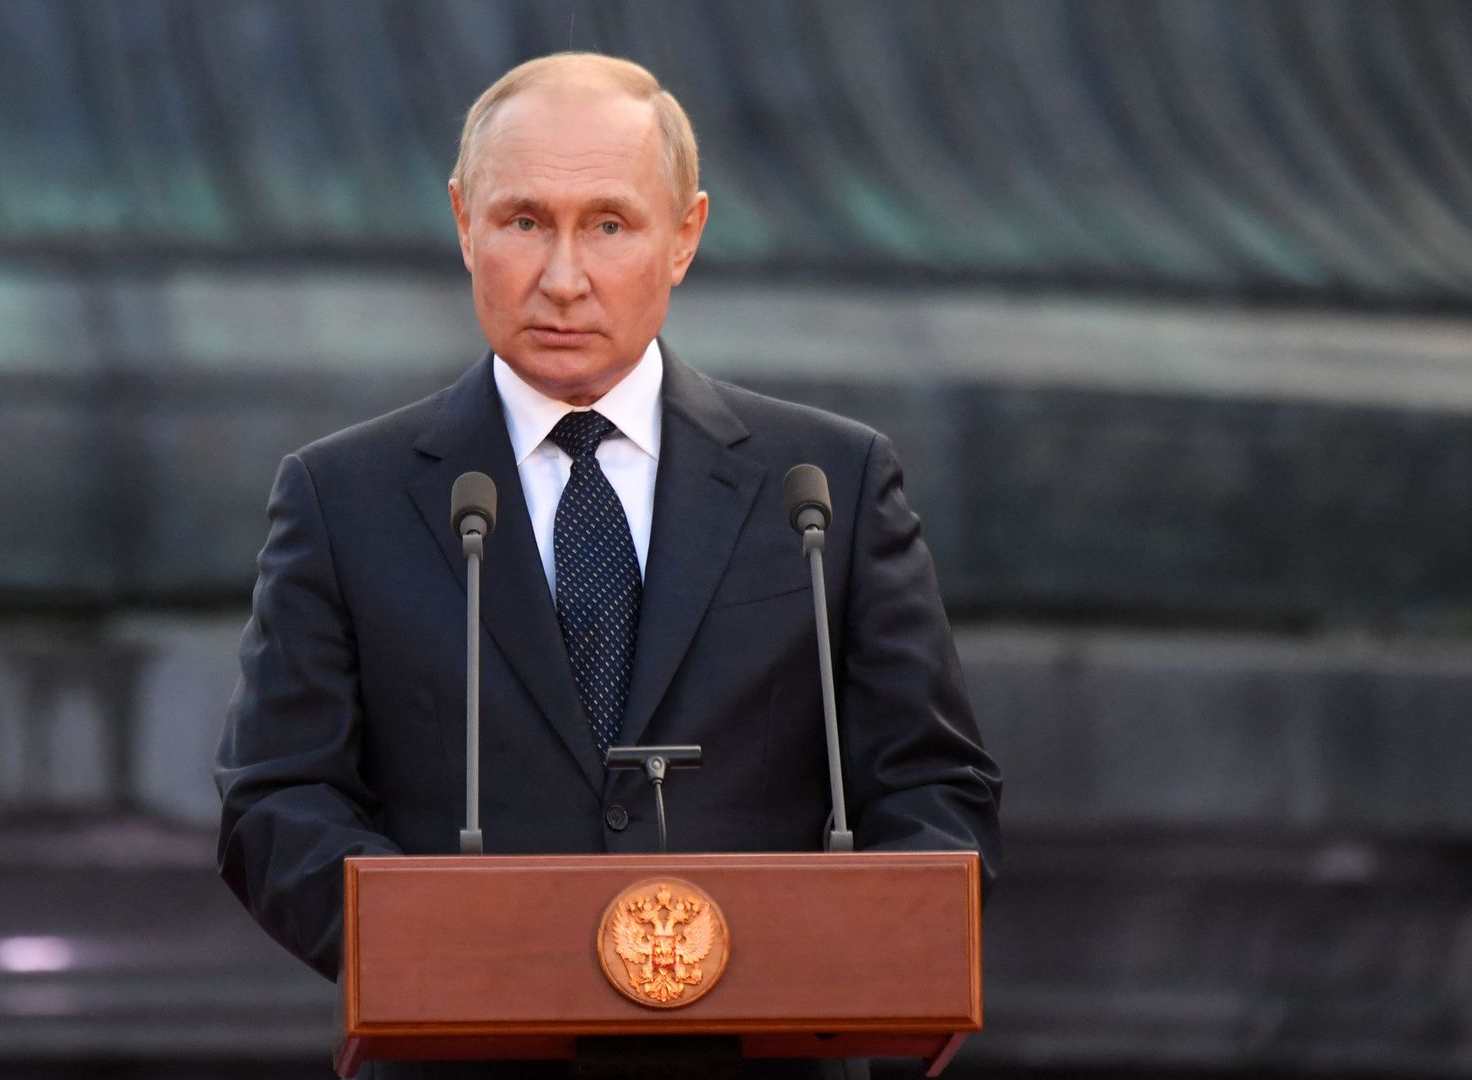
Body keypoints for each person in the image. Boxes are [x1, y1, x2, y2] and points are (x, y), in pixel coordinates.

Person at [215, 52, 1001, 1079]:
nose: (564, 277)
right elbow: (275, 799)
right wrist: (451, 948)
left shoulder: (829, 484)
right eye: (525, 221)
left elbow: (937, 786)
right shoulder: (341, 496)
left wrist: (862, 947)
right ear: (463, 223)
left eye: (611, 225)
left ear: (686, 236)